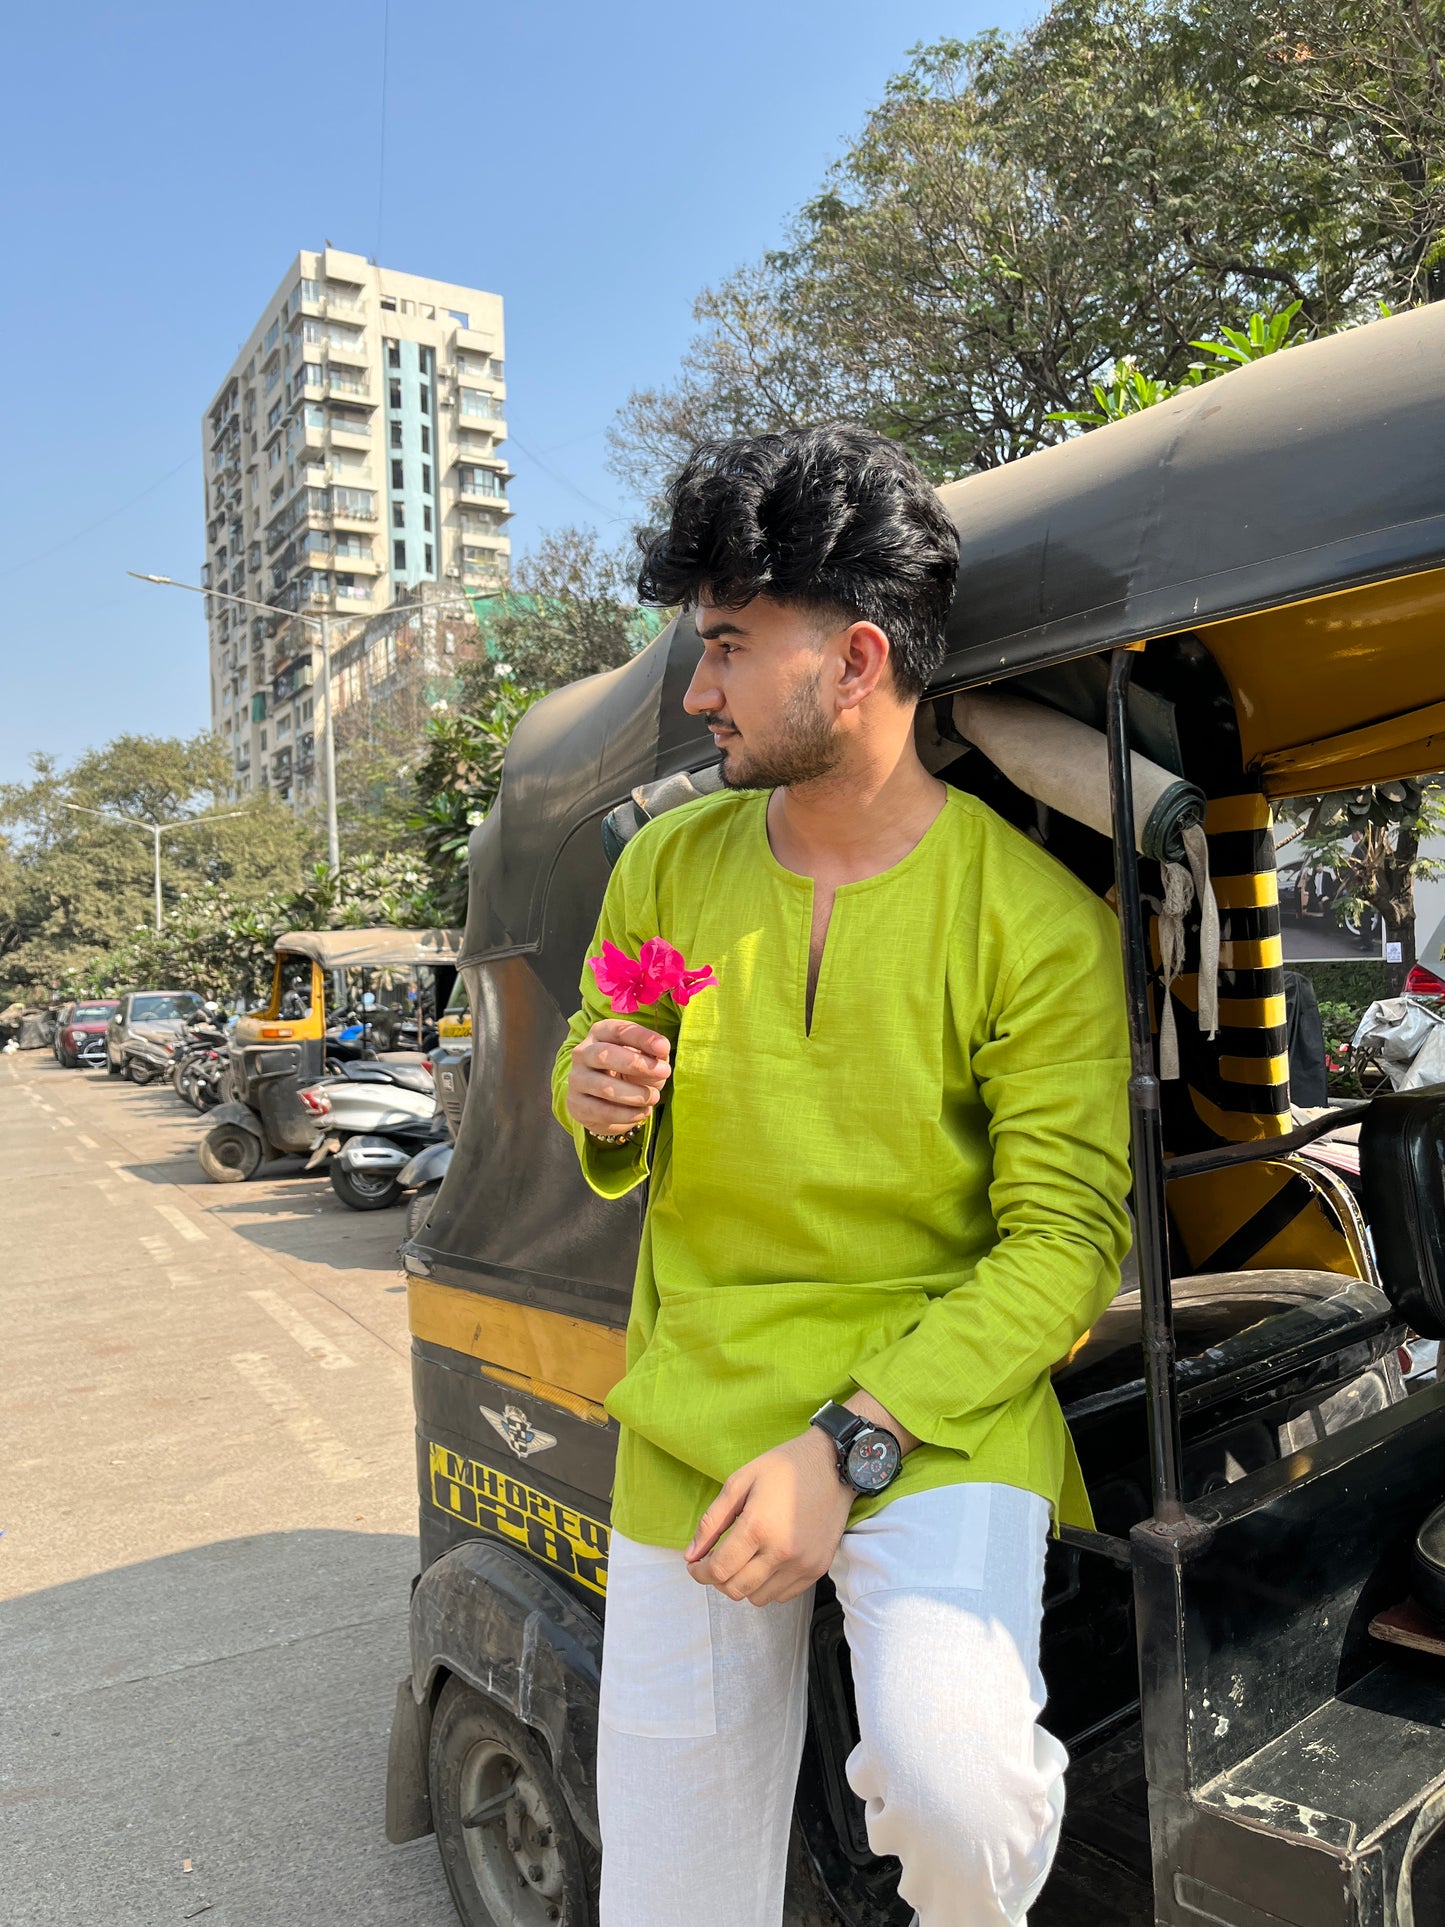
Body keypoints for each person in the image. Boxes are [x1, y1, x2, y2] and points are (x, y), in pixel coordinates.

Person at [552, 425, 1132, 1927]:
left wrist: (849, 1446)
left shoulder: (1038, 924)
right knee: (671, 1883)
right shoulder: (660, 872)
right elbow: (606, 1095)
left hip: (932, 1403)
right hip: (695, 1391)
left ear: (856, 660)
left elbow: (1063, 1245)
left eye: (729, 648)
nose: (697, 692)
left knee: (959, 1796)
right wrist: (599, 1098)